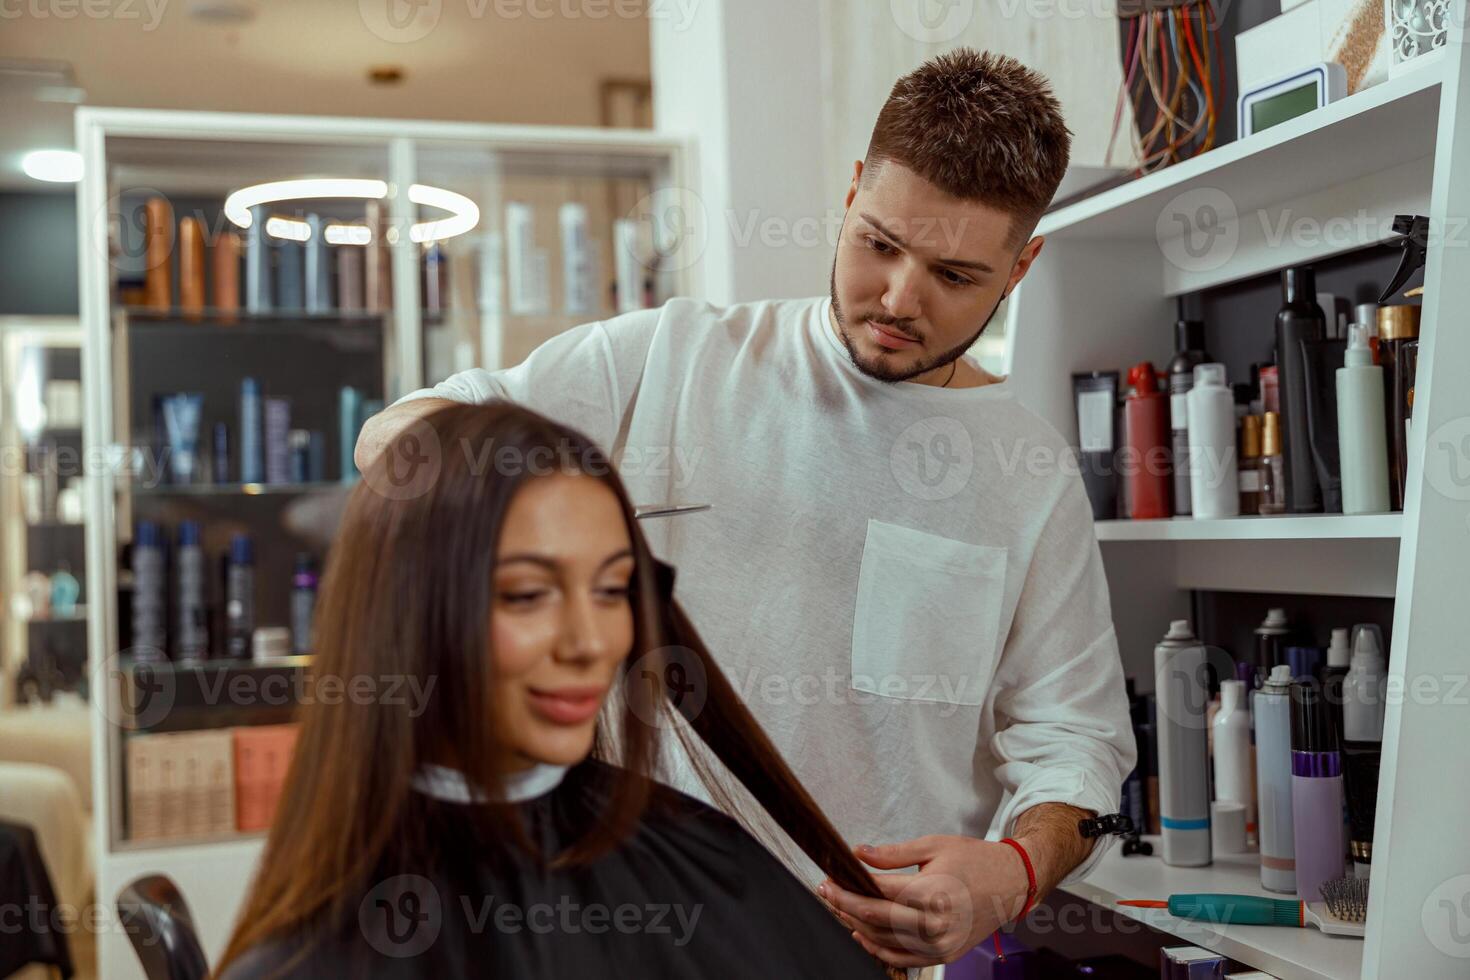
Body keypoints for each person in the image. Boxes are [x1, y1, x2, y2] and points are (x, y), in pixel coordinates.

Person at [358, 49, 1136, 969]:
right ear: (852, 193)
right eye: (879, 244)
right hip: (618, 932)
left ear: (1022, 266)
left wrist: (1007, 874)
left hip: (854, 959)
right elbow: (398, 437)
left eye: (954, 275)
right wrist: (524, 503)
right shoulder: (672, 362)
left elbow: (1078, 744)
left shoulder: (1028, 475)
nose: (897, 298)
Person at [214, 403, 893, 979]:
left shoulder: (694, 859)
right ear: (407, 611)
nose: (591, 643)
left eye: (611, 589)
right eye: (528, 594)